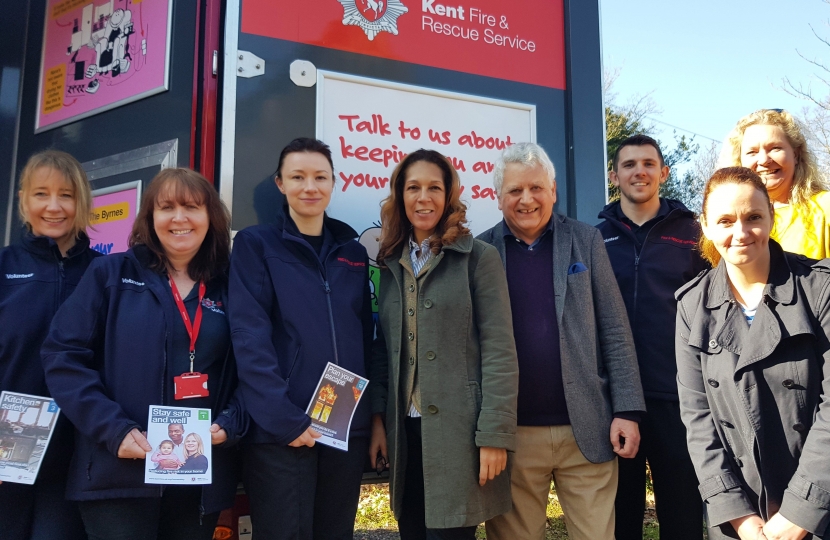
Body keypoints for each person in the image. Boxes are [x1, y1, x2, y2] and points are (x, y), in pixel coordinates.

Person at [41, 168, 246, 540]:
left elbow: (253, 366)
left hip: (198, 474)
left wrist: (232, 422)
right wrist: (113, 429)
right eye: (166, 207)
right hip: (118, 470)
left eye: (192, 207)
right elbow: (63, 355)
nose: (179, 217)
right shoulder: (111, 274)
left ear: (210, 217)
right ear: (150, 218)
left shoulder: (230, 286)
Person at [478, 142, 646, 540]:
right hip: (512, 436)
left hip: (587, 427)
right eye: (515, 190)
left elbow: (616, 331)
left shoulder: (586, 241)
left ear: (553, 191)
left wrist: (628, 410)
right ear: (497, 197)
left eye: (536, 188)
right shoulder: (480, 252)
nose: (527, 199)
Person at [368, 148, 519, 539]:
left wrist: (494, 438)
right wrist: (379, 422)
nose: (424, 197)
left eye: (434, 187)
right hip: (405, 435)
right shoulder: (390, 264)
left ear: (449, 194)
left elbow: (500, 353)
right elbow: (384, 350)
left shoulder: (479, 259)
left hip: (461, 436)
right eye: (413, 187)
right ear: (400, 195)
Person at [229, 138, 374, 540]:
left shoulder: (353, 252)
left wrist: (368, 418)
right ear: (280, 183)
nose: (310, 187)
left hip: (344, 425)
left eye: (319, 177)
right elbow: (248, 336)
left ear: (333, 183)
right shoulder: (255, 245)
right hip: (282, 431)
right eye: (298, 177)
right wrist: (282, 420)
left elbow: (365, 334)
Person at [676, 166, 830, 540]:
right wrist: (739, 516)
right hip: (741, 516)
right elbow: (698, 420)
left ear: (772, 218)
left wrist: (801, 512)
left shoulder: (819, 289)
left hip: (818, 504)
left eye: (753, 217)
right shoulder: (691, 305)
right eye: (725, 220)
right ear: (706, 226)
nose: (741, 233)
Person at [598, 134, 708, 540]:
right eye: (628, 165)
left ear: (663, 172)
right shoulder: (596, 239)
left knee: (682, 516)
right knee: (619, 518)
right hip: (616, 401)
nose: (638, 171)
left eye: (648, 164)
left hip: (679, 399)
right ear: (615, 175)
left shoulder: (697, 234)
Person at [0, 150, 98, 540]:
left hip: (74, 454)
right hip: (7, 451)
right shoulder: (5, 266)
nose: (54, 206)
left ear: (83, 201)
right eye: (42, 194)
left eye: (67, 195)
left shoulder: (104, 271)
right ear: (24, 199)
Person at [726, 108, 830, 259]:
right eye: (752, 152)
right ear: (739, 161)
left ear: (795, 154)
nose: (764, 160)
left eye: (775, 148)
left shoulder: (824, 208)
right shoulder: (728, 221)